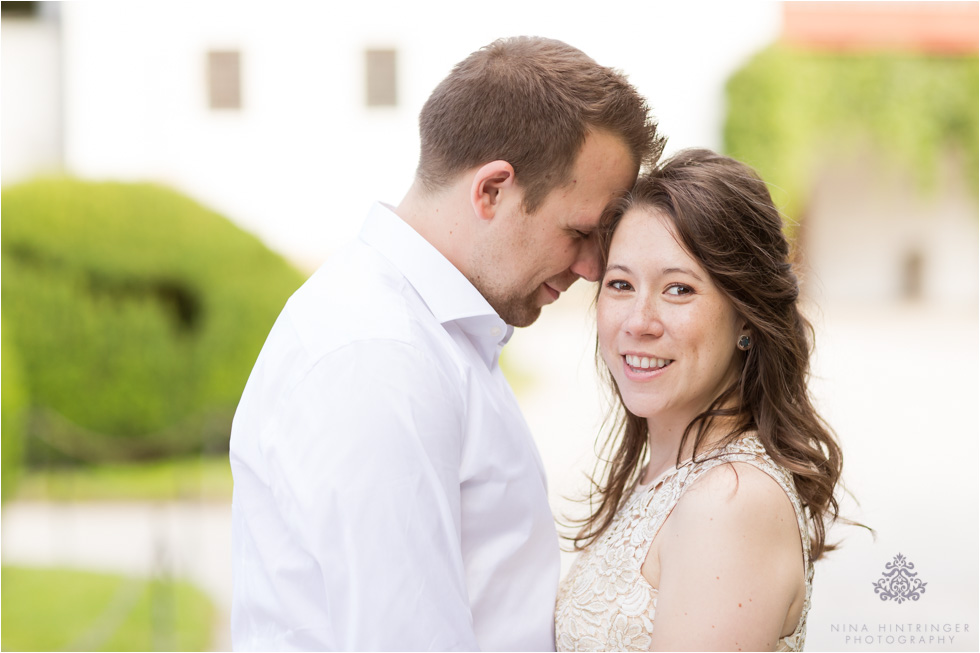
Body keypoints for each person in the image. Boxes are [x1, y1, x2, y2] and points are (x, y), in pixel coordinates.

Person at [230, 36, 665, 651]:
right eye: (580, 232)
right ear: (491, 190)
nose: (594, 268)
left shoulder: (429, 333)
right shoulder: (379, 358)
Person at [555, 149, 843, 651]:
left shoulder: (729, 502)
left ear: (746, 317)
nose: (639, 321)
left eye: (679, 290)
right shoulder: (668, 473)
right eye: (621, 284)